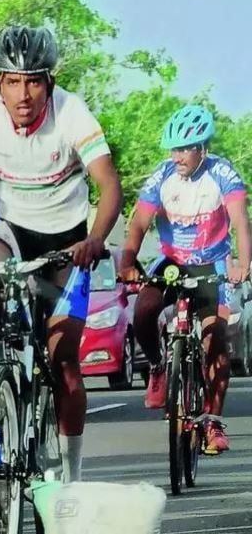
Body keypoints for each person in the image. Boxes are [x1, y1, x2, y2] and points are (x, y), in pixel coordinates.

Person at [0, 25, 122, 484]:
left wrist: (95, 238)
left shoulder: (72, 111)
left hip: (67, 243)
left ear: (49, 82)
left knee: (65, 364)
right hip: (13, 229)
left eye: (33, 80)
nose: (23, 93)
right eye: (12, 81)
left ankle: (70, 476)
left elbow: (109, 184)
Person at [119, 104, 250, 454]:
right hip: (173, 262)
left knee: (215, 339)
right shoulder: (161, 177)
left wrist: (242, 263)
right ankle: (160, 367)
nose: (177, 156)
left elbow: (240, 222)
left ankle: (213, 423)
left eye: (185, 149)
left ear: (202, 148)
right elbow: (138, 224)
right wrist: (128, 261)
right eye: (173, 149)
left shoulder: (224, 174)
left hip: (212, 265)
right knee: (143, 310)